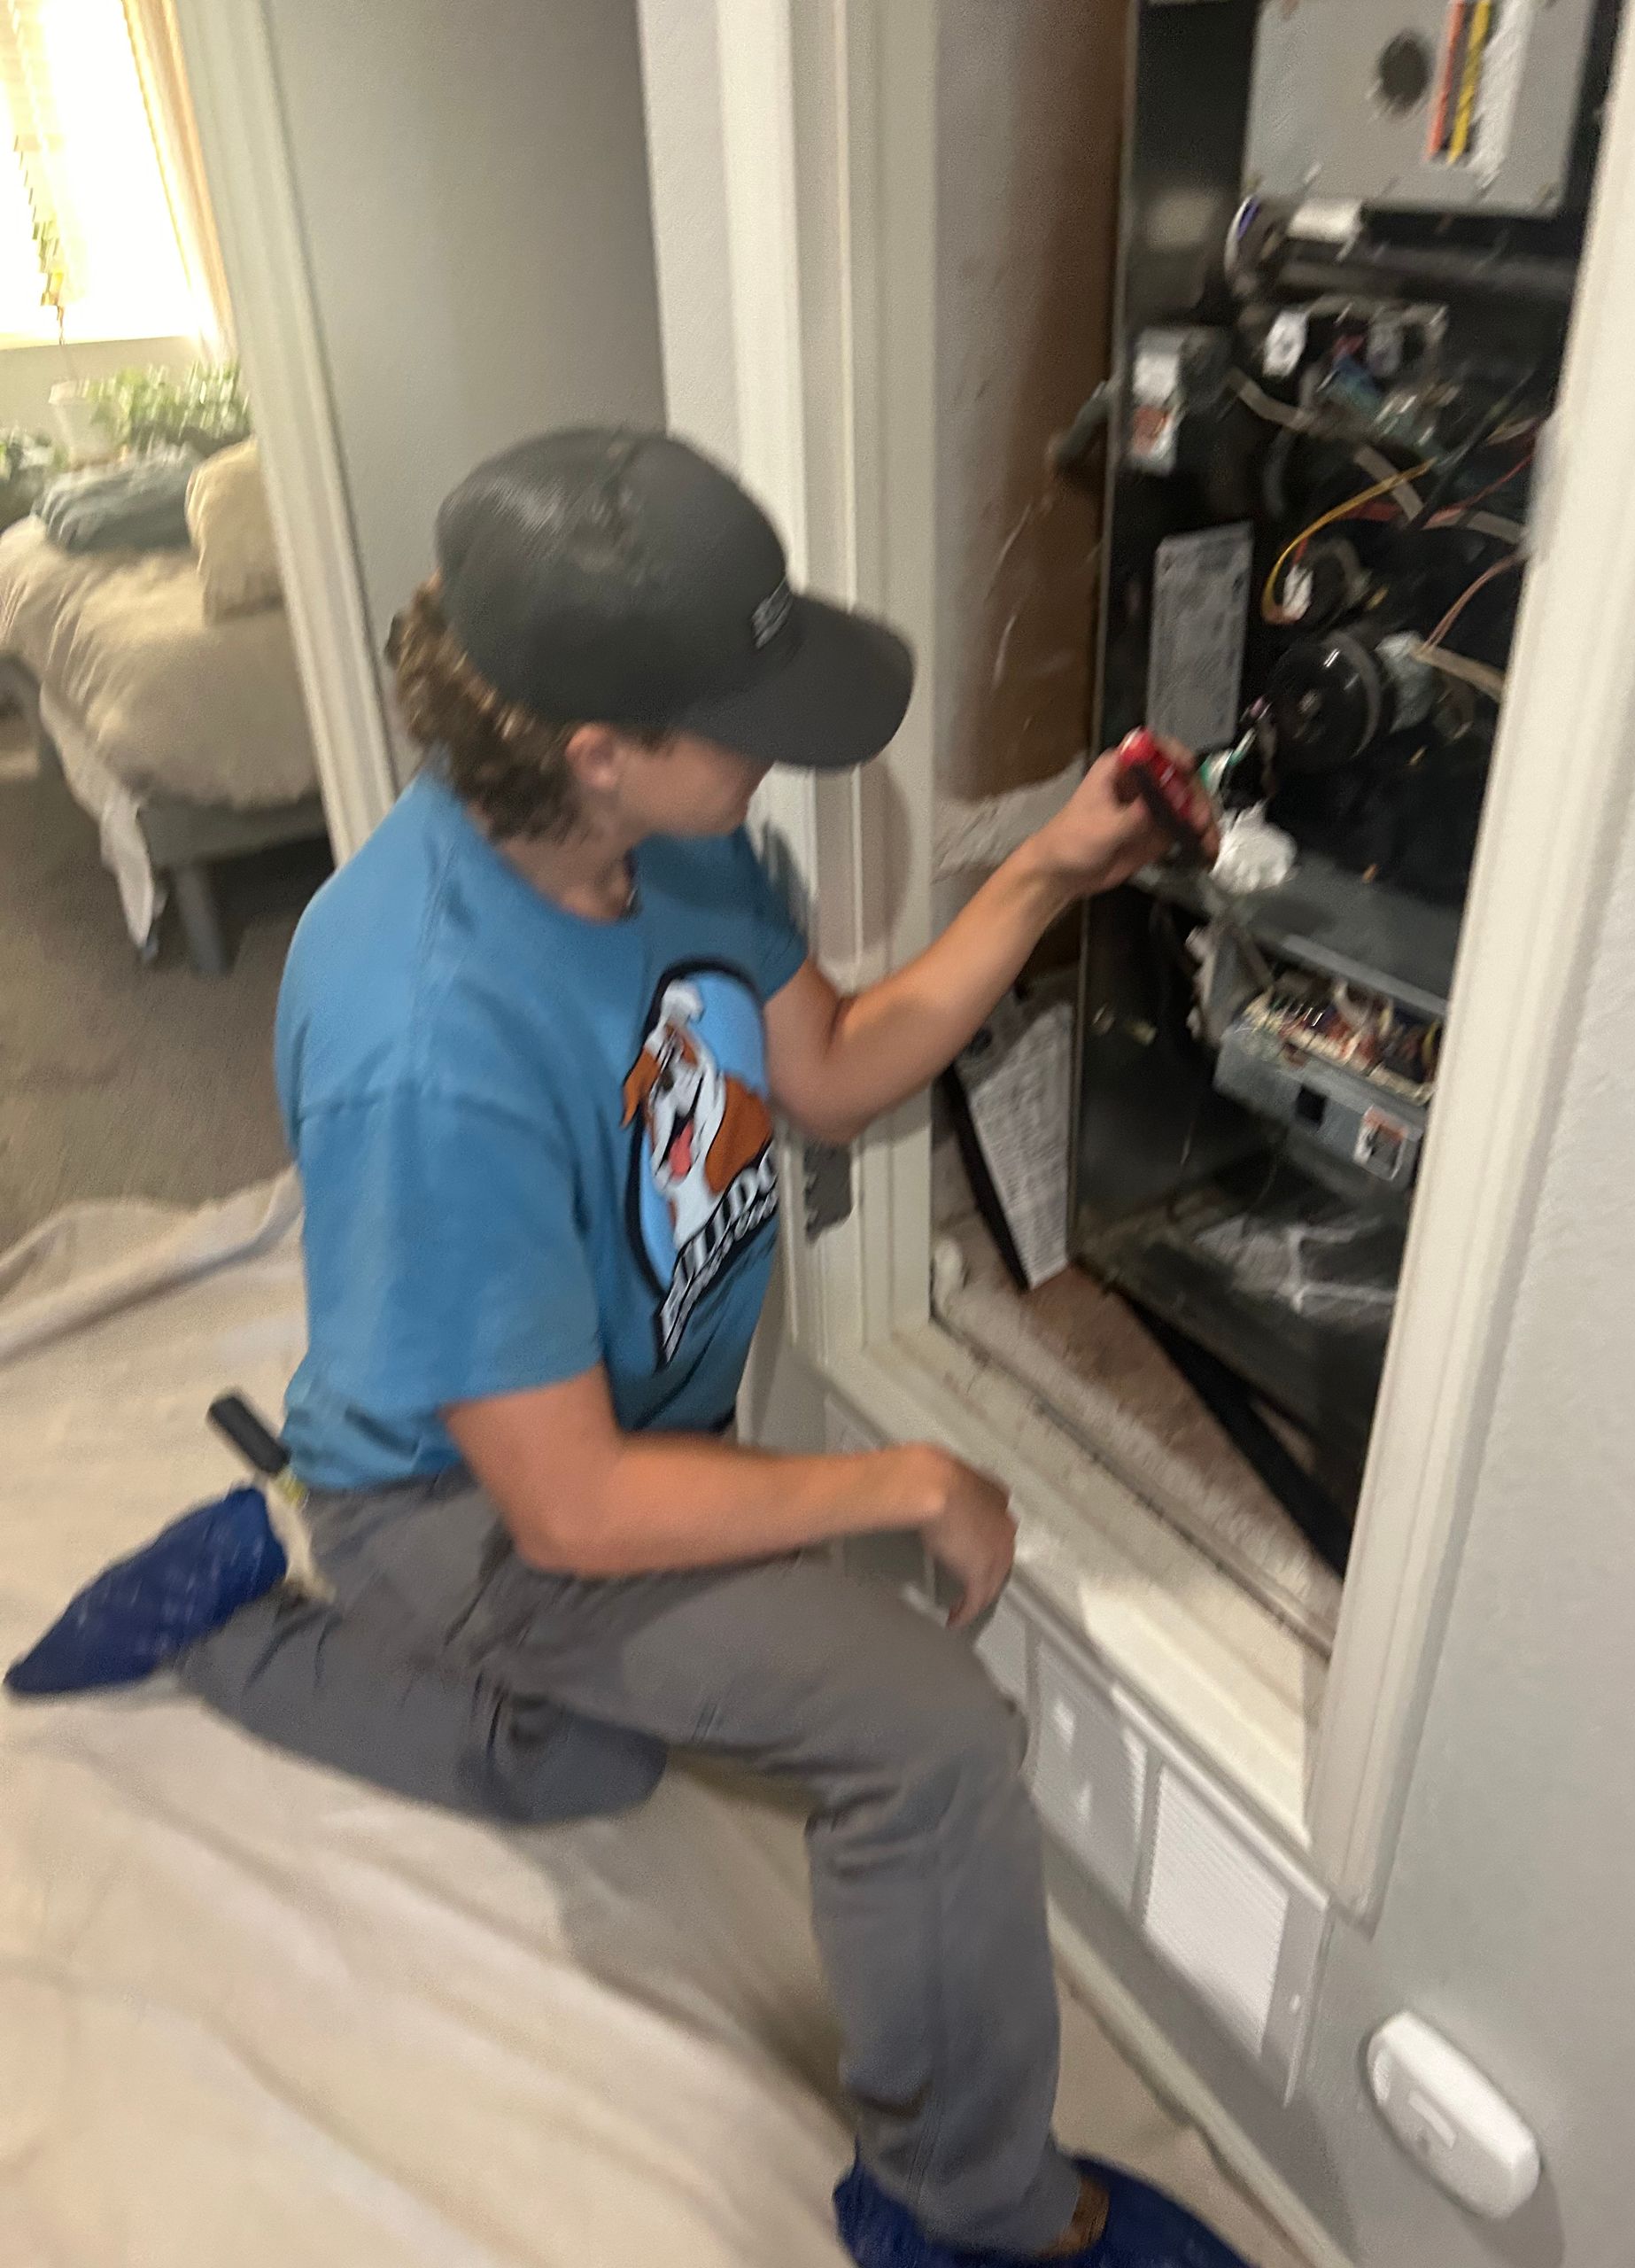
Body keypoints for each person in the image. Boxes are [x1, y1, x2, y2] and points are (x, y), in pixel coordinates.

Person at [180, 429, 1236, 2267]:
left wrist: (1055, 869)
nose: (781, 742)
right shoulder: (425, 1027)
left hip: (607, 1447)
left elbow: (827, 1068)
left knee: (593, 1765)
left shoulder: (677, 851)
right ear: (599, 747)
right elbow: (574, 1504)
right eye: (743, 708)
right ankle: (970, 2210)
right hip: (459, 1504)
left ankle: (326, 1635)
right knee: (921, 1733)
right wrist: (907, 1471)